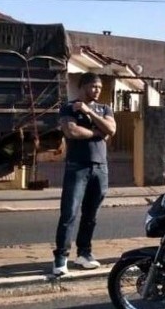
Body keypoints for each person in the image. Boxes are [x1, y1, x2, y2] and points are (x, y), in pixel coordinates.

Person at [52, 72, 116, 276]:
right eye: (93, 86)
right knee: (69, 213)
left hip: (100, 168)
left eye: (99, 87)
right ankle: (61, 259)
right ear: (82, 87)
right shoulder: (68, 107)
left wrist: (90, 113)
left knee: (91, 215)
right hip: (77, 167)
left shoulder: (104, 108)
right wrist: (97, 134)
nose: (97, 90)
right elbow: (71, 131)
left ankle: (84, 254)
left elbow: (111, 129)